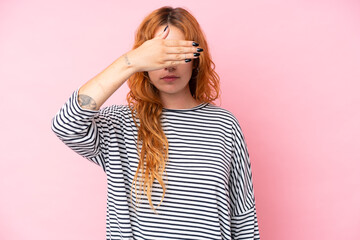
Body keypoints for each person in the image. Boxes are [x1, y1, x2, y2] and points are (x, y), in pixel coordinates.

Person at [51, 6, 260, 240]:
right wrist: (130, 62)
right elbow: (65, 125)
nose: (168, 66)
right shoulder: (120, 124)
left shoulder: (224, 125)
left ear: (195, 59)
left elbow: (243, 217)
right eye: (159, 55)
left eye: (177, 53)